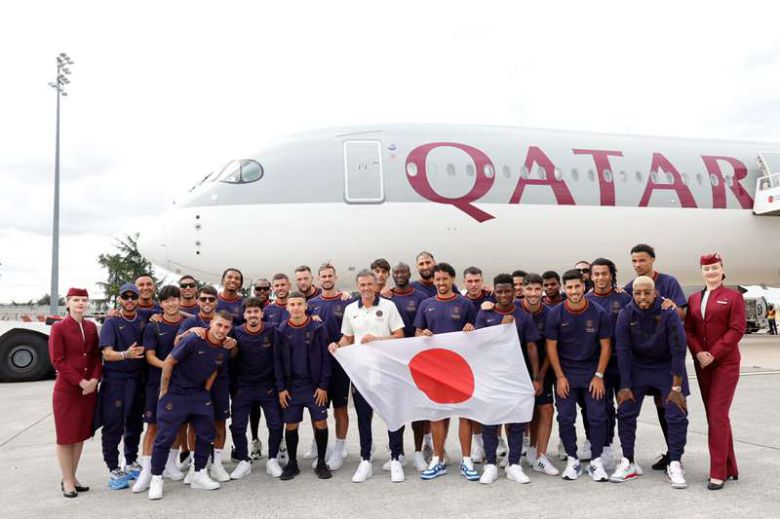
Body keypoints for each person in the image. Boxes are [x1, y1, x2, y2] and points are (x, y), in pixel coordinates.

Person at [147, 311, 236, 500]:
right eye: (219, 325)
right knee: (165, 436)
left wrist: (206, 391)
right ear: (211, 323)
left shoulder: (225, 347)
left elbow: (215, 369)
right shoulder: (194, 339)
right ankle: (156, 478)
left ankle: (199, 474)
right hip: (175, 392)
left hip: (198, 393)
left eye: (226, 327)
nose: (221, 330)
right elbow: (169, 361)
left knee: (206, 433)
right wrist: (164, 390)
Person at [612, 276, 689, 489]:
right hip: (638, 367)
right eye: (638, 293)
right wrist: (625, 385)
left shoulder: (668, 312)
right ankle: (628, 461)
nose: (643, 297)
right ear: (633, 294)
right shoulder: (626, 313)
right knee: (625, 410)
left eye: (647, 292)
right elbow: (623, 350)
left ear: (655, 293)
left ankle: (675, 462)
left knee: (676, 412)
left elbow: (679, 349)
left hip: (666, 367)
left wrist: (676, 387)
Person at [330, 269, 406, 482]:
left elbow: (400, 335)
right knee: (363, 417)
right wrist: (337, 345)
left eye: (369, 284)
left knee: (392, 415)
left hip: (387, 371)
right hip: (361, 372)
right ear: (358, 287)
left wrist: (377, 340)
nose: (366, 288)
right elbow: (347, 337)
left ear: (376, 285)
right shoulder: (350, 309)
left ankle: (396, 458)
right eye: (362, 285)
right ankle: (365, 460)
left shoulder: (388, 306)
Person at [684, 253, 746, 490]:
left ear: (722, 269)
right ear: (702, 272)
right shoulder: (693, 299)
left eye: (714, 268)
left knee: (718, 414)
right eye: (707, 268)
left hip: (725, 363)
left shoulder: (733, 297)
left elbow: (737, 329)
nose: (711, 272)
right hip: (703, 364)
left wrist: (713, 353)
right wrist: (699, 352)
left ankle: (717, 472)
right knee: (715, 416)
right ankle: (730, 467)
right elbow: (689, 329)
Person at [625, 243, 687, 471]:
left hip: (667, 358)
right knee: (632, 408)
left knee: (668, 403)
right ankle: (630, 459)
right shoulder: (630, 287)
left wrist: (671, 307)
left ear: (652, 260)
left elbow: (682, 313)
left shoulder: (668, 282)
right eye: (634, 261)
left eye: (642, 260)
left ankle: (673, 455)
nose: (637, 264)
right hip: (642, 360)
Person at [545, 270, 612, 482]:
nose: (574, 291)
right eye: (570, 287)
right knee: (565, 417)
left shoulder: (598, 312)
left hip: (592, 373)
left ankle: (596, 461)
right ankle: (572, 460)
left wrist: (599, 375)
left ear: (584, 286)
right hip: (566, 374)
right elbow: (551, 347)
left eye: (577, 286)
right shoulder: (555, 314)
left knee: (597, 416)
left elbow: (606, 345)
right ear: (564, 288)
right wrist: (560, 377)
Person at [414, 262, 477, 481]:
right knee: (437, 414)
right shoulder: (426, 304)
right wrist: (422, 334)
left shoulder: (465, 303)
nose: (441, 282)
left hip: (460, 370)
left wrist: (471, 329)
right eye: (437, 279)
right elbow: (417, 332)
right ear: (434, 281)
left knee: (465, 414)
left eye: (444, 279)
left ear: (452, 279)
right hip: (435, 371)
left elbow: (476, 332)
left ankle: (466, 460)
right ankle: (437, 460)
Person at [476, 273, 540, 485]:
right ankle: (491, 465)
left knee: (517, 422)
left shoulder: (523, 316)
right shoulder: (484, 314)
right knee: (490, 421)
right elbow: (478, 344)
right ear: (494, 292)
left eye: (507, 291)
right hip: (491, 376)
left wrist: (536, 377)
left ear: (514, 292)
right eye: (500, 291)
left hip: (515, 376)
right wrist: (501, 328)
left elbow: (531, 347)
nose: (503, 295)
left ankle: (514, 464)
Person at [49, 288, 102, 498]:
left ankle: (72, 476)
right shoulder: (59, 327)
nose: (81, 303)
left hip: (88, 391)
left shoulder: (91, 326)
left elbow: (96, 356)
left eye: (84, 300)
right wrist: (81, 381)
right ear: (68, 303)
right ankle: (67, 480)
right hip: (68, 391)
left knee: (79, 435)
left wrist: (95, 380)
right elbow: (58, 360)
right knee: (65, 437)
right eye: (76, 300)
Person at [274, 291, 332, 480]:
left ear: (306, 306)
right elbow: (277, 362)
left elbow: (326, 359)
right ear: (287, 307)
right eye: (292, 304)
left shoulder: (318, 327)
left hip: (314, 387)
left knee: (321, 422)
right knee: (291, 425)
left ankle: (321, 462)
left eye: (300, 304)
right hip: (292, 388)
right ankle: (292, 464)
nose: (296, 308)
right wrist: (281, 388)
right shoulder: (281, 330)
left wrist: (323, 386)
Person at [177, 285, 232, 483]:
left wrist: (233, 344)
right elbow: (177, 343)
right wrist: (189, 332)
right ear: (198, 301)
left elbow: (233, 346)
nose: (207, 302)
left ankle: (216, 464)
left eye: (211, 299)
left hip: (220, 380)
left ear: (217, 301)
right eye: (203, 299)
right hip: (196, 382)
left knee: (219, 422)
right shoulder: (191, 321)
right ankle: (195, 466)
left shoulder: (224, 320)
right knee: (194, 423)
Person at [132, 285, 185, 493]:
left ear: (180, 300)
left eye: (175, 299)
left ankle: (170, 464)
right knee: (153, 427)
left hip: (181, 384)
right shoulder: (153, 326)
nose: (172, 303)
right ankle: (147, 470)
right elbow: (150, 356)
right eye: (167, 300)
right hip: (156, 382)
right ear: (161, 304)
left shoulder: (187, 323)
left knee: (178, 425)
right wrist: (168, 367)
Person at [96, 282, 147, 490]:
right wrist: (126, 354)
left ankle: (131, 461)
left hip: (137, 380)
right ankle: (113, 468)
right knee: (114, 425)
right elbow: (107, 354)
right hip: (116, 381)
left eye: (133, 297)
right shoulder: (112, 322)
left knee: (135, 423)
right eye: (125, 297)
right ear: (119, 299)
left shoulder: (143, 319)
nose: (129, 300)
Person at [228, 298, 284, 479]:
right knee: (237, 426)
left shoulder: (273, 329)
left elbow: (293, 325)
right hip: (243, 387)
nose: (253, 315)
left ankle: (272, 459)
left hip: (267, 386)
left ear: (262, 313)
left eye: (256, 311)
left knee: (276, 424)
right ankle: (244, 461)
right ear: (244, 315)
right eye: (249, 312)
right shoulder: (235, 332)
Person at [585, 258, 631, 470]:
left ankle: (628, 454)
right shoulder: (586, 300)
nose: (600, 277)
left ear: (611, 275)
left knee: (625, 409)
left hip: (622, 364)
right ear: (591, 276)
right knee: (601, 409)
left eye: (604, 273)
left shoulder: (624, 298)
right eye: (596, 274)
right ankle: (605, 448)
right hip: (598, 366)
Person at [308, 263, 354, 470]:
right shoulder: (311, 304)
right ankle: (322, 446)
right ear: (318, 279)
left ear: (335, 278)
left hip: (340, 364)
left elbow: (351, 332)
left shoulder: (347, 302)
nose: (326, 279)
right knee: (318, 409)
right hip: (318, 366)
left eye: (329, 276)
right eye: (323, 276)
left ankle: (339, 448)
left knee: (340, 408)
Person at [388, 262, 431, 471]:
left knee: (418, 409)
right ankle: (397, 453)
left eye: (403, 272)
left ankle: (418, 452)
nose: (400, 275)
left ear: (409, 274)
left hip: (417, 361)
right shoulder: (387, 298)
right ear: (392, 275)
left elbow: (424, 326)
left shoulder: (421, 297)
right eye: (396, 272)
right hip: (393, 362)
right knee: (396, 408)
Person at [520, 274, 559, 476]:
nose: (533, 293)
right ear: (523, 290)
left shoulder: (550, 314)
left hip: (543, 369)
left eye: (537, 289)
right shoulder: (514, 310)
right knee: (518, 411)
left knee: (545, 409)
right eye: (529, 289)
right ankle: (517, 452)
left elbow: (551, 348)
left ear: (542, 290)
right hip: (517, 370)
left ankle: (541, 457)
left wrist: (540, 377)